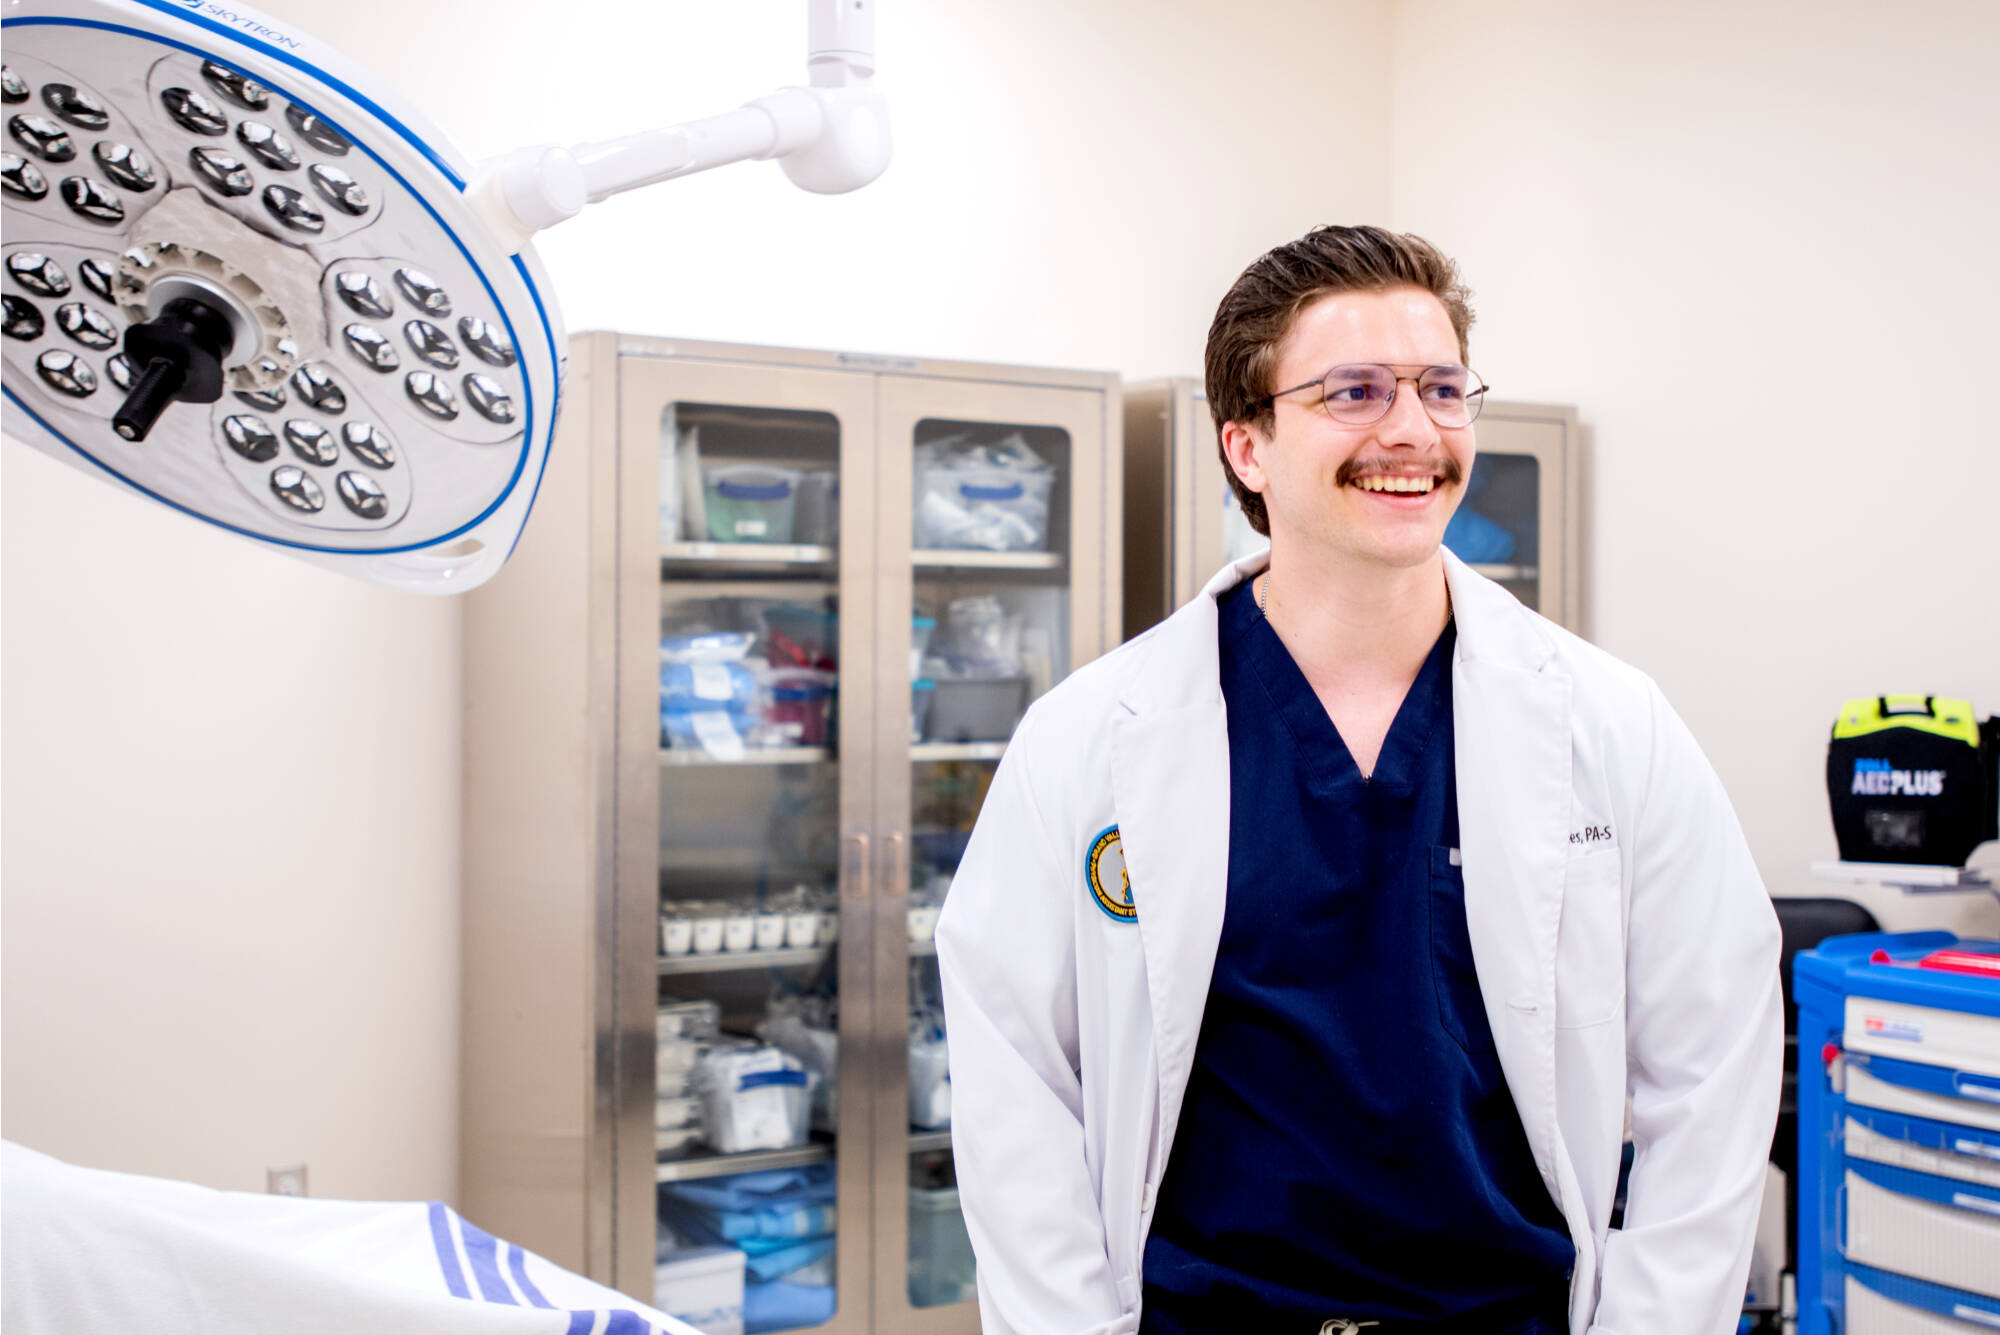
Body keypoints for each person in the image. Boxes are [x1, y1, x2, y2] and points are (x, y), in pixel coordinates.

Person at [935, 224, 1781, 1335]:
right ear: (1246, 446)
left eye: (1440, 387)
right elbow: (1015, 1089)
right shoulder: (1090, 737)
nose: (1411, 430)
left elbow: (1712, 1064)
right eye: (1353, 391)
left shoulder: (1610, 724)